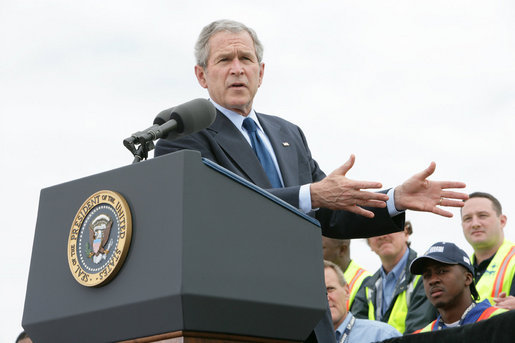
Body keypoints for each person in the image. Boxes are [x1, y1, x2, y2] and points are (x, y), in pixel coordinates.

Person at [154, 19, 468, 343]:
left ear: (261, 72)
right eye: (224, 60)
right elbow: (214, 209)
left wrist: (394, 199)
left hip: (309, 320)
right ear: (201, 75)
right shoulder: (180, 132)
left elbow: (331, 210)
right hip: (236, 316)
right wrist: (310, 195)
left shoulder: (287, 133)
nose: (237, 69)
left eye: (245, 59)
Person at [351, 221, 436, 334]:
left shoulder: (425, 276)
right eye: (375, 231)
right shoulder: (367, 287)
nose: (382, 235)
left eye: (388, 227)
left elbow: (417, 334)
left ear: (406, 233)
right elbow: (357, 334)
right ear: (369, 243)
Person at [410, 242, 506, 333]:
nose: (433, 280)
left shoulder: (501, 322)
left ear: (468, 278)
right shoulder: (422, 335)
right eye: (427, 275)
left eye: (442, 271)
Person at [461, 192, 515, 310]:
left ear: (502, 221)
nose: (475, 224)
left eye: (482, 215)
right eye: (468, 218)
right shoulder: (459, 268)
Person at [324, 260, 401, 342]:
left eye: (330, 289)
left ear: (346, 291)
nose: (326, 298)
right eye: (317, 292)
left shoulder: (382, 335)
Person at [322, 237, 371, 310]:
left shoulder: (366, 282)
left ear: (342, 250)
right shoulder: (318, 278)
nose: (315, 252)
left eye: (322, 248)